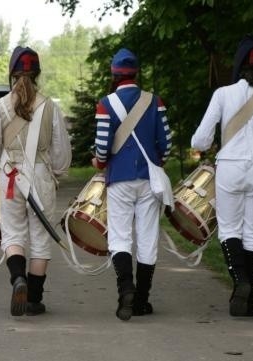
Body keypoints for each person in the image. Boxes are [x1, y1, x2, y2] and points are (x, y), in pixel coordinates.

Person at [191, 35, 253, 317]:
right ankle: (248, 300)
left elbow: (200, 141)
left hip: (229, 169)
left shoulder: (223, 94)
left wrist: (203, 145)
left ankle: (240, 284)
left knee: (230, 230)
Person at [0, 46, 71, 316]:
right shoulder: (50, 106)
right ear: (37, 73)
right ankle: (33, 299)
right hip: (41, 176)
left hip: (10, 177)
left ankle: (17, 278)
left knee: (13, 234)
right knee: (41, 237)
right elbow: (61, 152)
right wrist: (57, 173)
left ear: (12, 73)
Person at [91, 48, 172, 321]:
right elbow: (166, 144)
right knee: (147, 238)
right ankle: (142, 300)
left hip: (119, 179)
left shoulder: (105, 103)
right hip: (149, 178)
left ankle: (126, 289)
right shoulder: (155, 101)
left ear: (114, 75)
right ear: (136, 73)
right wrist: (155, 160)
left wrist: (98, 163)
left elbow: (102, 148)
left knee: (120, 237)